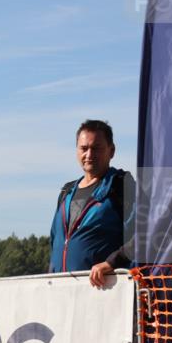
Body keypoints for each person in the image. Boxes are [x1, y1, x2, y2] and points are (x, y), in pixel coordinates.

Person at [49, 120, 135, 287]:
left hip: (105, 294)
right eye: (84, 148)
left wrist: (112, 262)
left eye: (96, 148)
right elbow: (55, 245)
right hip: (61, 295)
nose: (89, 155)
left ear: (112, 151)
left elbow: (147, 234)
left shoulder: (122, 186)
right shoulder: (66, 193)